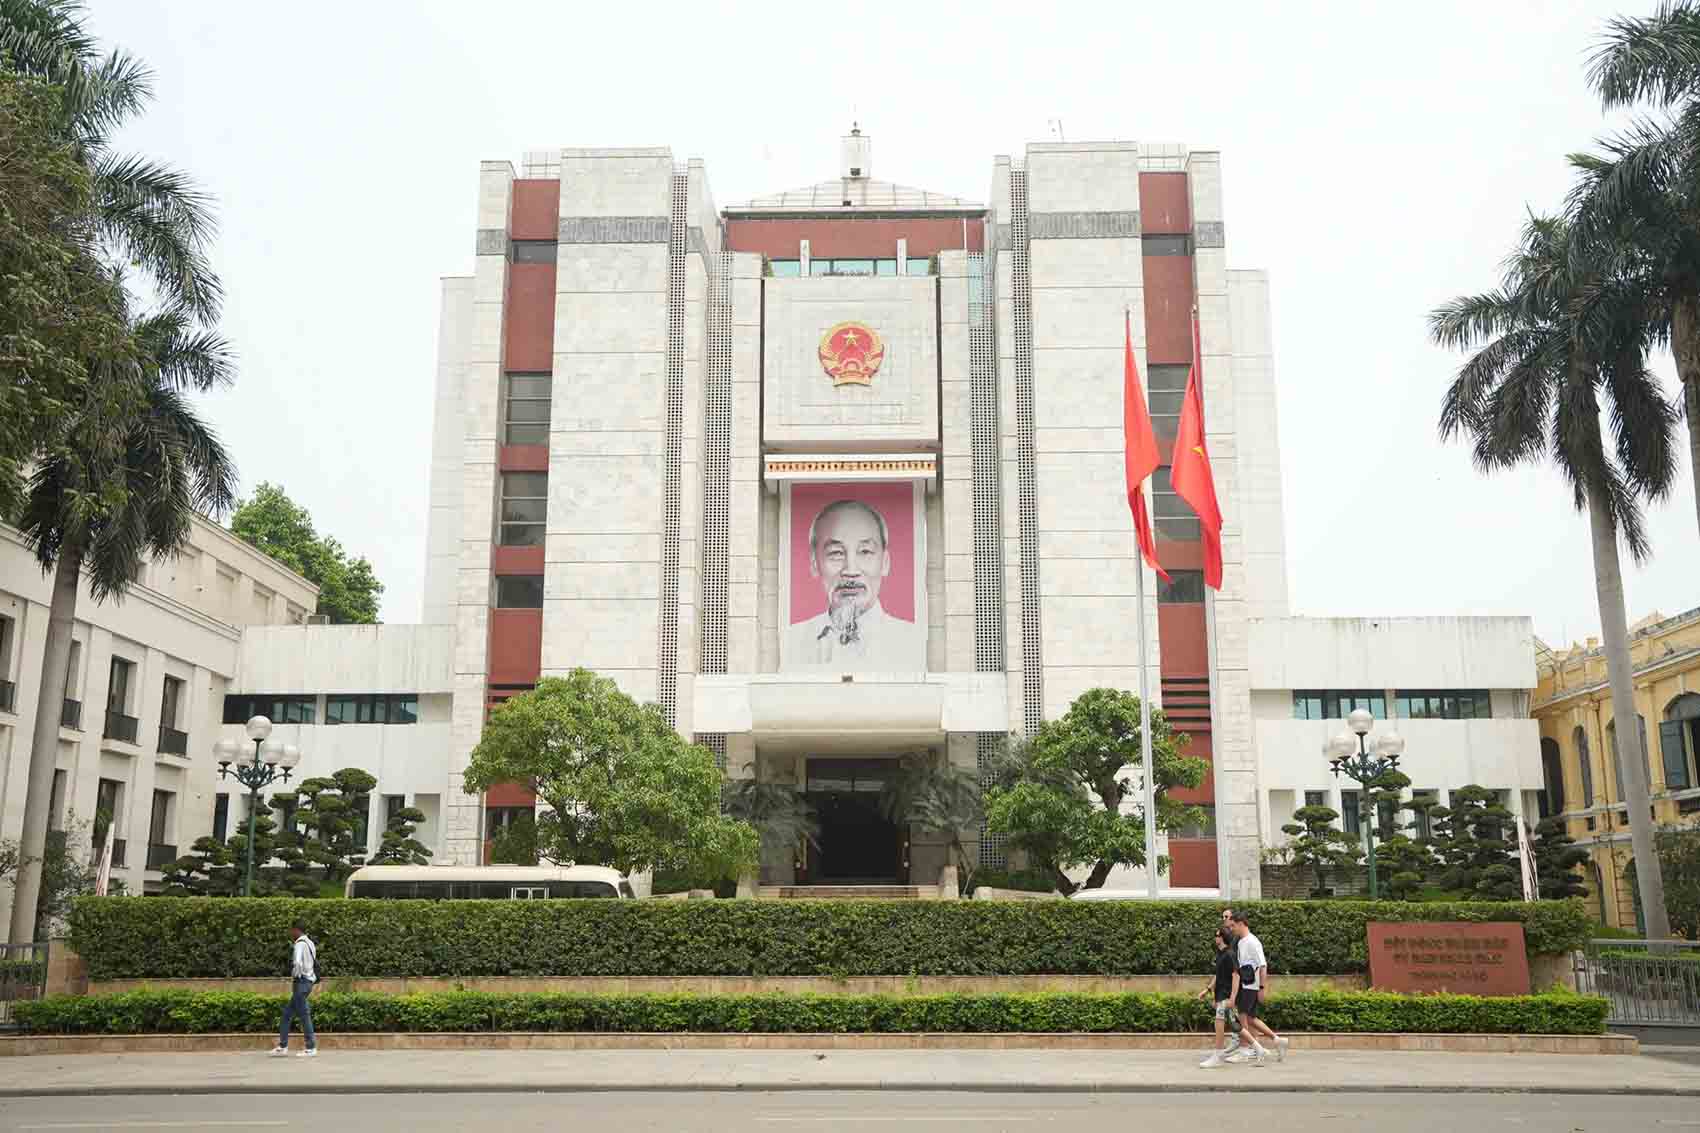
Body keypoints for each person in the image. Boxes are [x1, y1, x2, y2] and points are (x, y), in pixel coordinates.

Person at [784, 499, 925, 671]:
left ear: (885, 562)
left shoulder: (914, 643)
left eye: (865, 552)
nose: (850, 570)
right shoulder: (791, 642)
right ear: (814, 564)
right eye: (836, 553)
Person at [1229, 911, 1290, 1065]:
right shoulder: (1242, 941)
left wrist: (1262, 988)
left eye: (1233, 926)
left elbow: (1263, 966)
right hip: (1246, 984)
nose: (1232, 929)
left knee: (1242, 1016)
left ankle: (1245, 1050)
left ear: (1242, 923)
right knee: (1250, 1018)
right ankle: (1278, 1040)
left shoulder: (1252, 941)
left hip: (1250, 986)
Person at [270, 920, 318, 1057]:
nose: (291, 933)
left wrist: (295, 975)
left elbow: (297, 962)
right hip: (308, 981)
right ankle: (282, 1046)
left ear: (297, 930)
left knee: (304, 1015)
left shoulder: (299, 944)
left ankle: (311, 1047)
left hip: (301, 982)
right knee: (287, 1014)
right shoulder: (310, 943)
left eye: (292, 930)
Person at [1196, 927, 1242, 1068]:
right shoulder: (1220, 954)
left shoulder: (1230, 954)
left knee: (1219, 1021)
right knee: (1236, 1025)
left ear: (1222, 937)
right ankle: (1259, 1048)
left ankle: (1217, 1055)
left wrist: (1233, 998)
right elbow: (1218, 976)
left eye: (1216, 935)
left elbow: (1236, 976)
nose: (1214, 937)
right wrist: (1208, 989)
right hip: (1221, 994)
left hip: (1227, 995)